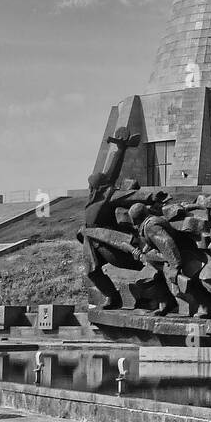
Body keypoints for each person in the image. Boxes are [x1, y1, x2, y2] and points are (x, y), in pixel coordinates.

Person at [79, 129, 142, 309]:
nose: (90, 189)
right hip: (91, 241)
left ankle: (158, 290)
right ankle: (112, 297)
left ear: (98, 186)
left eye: (92, 186)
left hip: (108, 239)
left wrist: (120, 150)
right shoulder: (92, 200)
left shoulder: (107, 195)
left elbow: (111, 173)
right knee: (92, 272)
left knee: (129, 263)